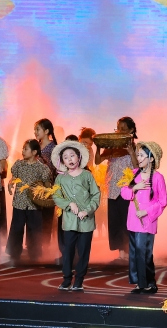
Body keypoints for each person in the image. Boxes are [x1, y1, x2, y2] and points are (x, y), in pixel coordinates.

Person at [52, 140, 101, 291]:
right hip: (69, 221)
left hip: (86, 221)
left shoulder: (87, 175)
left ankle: (79, 280)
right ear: (62, 161)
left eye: (72, 155)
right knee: (68, 251)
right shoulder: (60, 178)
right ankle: (67, 279)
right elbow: (56, 196)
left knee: (83, 251)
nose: (70, 159)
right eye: (66, 157)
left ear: (79, 157)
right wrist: (69, 204)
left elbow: (96, 195)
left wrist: (87, 210)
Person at [121, 141, 167, 294]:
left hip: (147, 221)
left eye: (141, 155)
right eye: (138, 155)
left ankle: (149, 283)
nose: (138, 158)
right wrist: (135, 187)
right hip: (133, 220)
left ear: (151, 158)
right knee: (134, 252)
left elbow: (163, 201)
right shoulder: (133, 173)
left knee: (144, 252)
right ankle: (139, 283)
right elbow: (124, 192)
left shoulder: (158, 178)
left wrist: (146, 212)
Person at [95, 117, 137, 262]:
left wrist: (131, 152)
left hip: (127, 190)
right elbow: (98, 161)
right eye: (118, 128)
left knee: (127, 222)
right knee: (115, 222)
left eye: (123, 129)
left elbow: (137, 167)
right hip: (112, 189)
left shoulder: (135, 147)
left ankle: (130, 253)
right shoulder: (112, 147)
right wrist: (98, 148)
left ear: (131, 130)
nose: (119, 131)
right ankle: (121, 254)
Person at [6, 139, 52, 264]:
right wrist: (10, 183)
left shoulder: (42, 168)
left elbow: (47, 184)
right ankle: (14, 253)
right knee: (17, 228)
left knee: (34, 229)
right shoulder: (18, 164)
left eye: (26, 149)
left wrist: (47, 194)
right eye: (23, 148)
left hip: (34, 204)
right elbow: (13, 178)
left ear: (34, 152)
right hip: (19, 202)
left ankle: (34, 254)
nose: (23, 151)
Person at [35, 119, 59, 249]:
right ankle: (34, 245)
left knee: (47, 216)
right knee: (35, 216)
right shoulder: (35, 146)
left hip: (49, 187)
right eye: (35, 130)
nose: (35, 132)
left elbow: (57, 168)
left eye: (37, 129)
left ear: (46, 131)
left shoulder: (53, 148)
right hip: (35, 187)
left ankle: (44, 246)